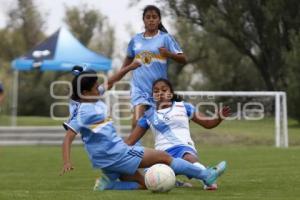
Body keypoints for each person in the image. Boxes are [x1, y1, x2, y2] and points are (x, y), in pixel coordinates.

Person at [60, 68, 227, 191]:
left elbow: (109, 82)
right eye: (96, 88)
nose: (100, 89)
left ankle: (109, 185)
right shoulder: (83, 112)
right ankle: (206, 175)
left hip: (103, 161)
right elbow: (68, 137)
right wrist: (67, 161)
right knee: (164, 157)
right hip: (116, 154)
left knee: (145, 184)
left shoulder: (84, 100)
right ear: (85, 93)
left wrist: (130, 67)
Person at [125, 78, 231, 190]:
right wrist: (113, 150)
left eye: (164, 90)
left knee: (188, 157)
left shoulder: (184, 107)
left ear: (170, 94)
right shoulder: (148, 115)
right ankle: (175, 182)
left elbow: (208, 123)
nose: (160, 93)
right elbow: (130, 141)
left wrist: (219, 118)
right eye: (156, 91)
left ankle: (208, 180)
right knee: (149, 176)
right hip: (161, 154)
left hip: (183, 147)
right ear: (153, 95)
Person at [122, 5, 187, 130]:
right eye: (148, 17)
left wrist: (168, 54)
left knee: (164, 125)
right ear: (144, 20)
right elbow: (129, 57)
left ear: (159, 20)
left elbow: (183, 59)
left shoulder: (165, 38)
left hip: (159, 90)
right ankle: (133, 149)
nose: (151, 20)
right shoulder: (135, 40)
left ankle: (169, 147)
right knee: (136, 122)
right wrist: (120, 74)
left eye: (154, 17)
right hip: (139, 88)